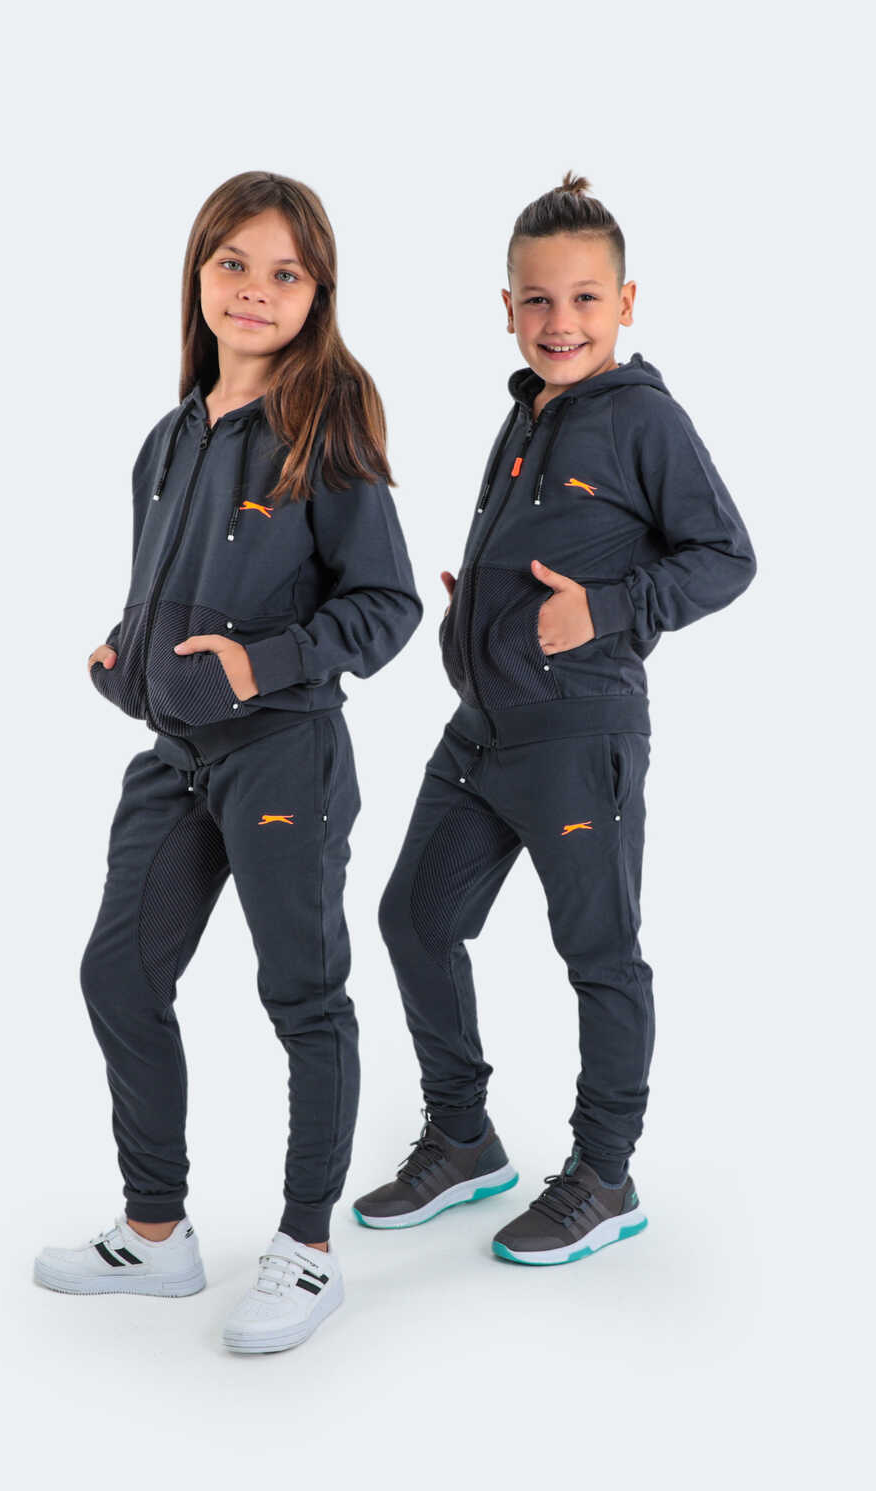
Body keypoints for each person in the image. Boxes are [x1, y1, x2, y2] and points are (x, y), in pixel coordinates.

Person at [33, 170, 422, 1348]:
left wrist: (260, 666)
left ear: (318, 293)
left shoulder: (325, 432)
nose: (254, 289)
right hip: (176, 758)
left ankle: (306, 1251)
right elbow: (167, 589)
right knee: (118, 975)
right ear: (198, 274)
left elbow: (387, 606)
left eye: (284, 272)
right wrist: (131, 655)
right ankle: (156, 1234)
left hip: (284, 757)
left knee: (302, 997)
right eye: (232, 263)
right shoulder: (169, 437)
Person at [353, 171, 757, 1265]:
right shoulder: (525, 409)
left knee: (599, 957)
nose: (559, 320)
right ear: (507, 307)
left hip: (580, 736)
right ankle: (463, 1137)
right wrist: (475, 611)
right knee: (413, 920)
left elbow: (726, 556)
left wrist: (606, 610)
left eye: (583, 298)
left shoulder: (646, 418)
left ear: (625, 303)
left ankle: (604, 1176)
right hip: (480, 732)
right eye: (537, 299)